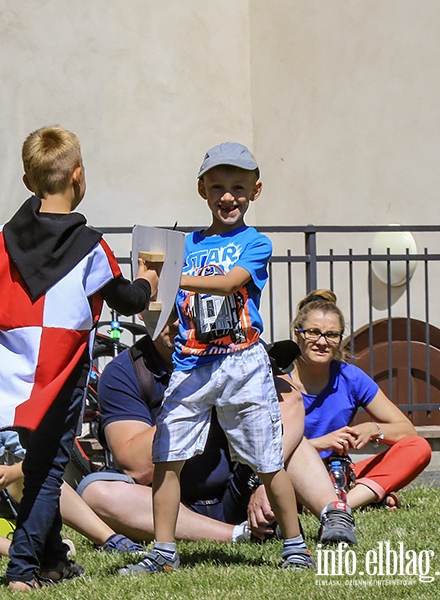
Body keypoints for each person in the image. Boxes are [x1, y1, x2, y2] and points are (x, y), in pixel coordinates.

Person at [0, 126, 159, 590]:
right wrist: (149, 279)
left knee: (37, 463)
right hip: (61, 373)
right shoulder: (91, 246)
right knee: (48, 470)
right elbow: (127, 300)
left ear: (29, 182)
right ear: (77, 175)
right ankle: (23, 568)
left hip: (11, 373)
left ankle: (51, 560)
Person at [120, 142, 313, 575]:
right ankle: (163, 551)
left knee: (266, 459)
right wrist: (147, 290)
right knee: (167, 454)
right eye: (219, 187)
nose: (229, 196)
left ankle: (295, 545)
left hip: (243, 364)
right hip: (191, 365)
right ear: (202, 190)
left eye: (239, 187)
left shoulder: (256, 243)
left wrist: (166, 279)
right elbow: (156, 307)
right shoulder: (182, 244)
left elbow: (229, 284)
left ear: (255, 191)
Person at [80, 317, 357, 546]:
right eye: (169, 312)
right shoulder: (125, 371)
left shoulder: (237, 348)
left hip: (240, 486)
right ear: (146, 313)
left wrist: (264, 481)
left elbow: (292, 404)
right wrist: (194, 398)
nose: (179, 322)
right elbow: (136, 467)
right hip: (174, 504)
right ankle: (238, 536)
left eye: (186, 310)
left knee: (289, 440)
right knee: (96, 492)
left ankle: (334, 514)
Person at [0, 334, 143, 557]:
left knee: (44, 475)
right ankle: (16, 551)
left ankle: (109, 538)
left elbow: (39, 457)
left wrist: (11, 473)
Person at [289, 290, 432, 509]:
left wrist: (372, 429)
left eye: (331, 335)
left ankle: (342, 505)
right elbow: (267, 451)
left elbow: (407, 431)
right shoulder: (278, 380)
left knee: (418, 447)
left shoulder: (351, 377)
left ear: (339, 339)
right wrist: (319, 444)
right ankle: (366, 496)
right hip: (292, 475)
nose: (322, 342)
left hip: (338, 474)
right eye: (313, 332)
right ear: (297, 335)